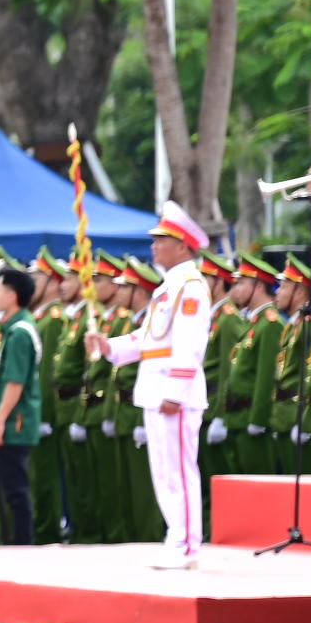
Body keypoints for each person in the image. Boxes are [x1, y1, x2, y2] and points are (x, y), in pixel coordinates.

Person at [89, 204, 213, 569]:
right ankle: (177, 537)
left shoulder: (189, 287)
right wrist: (110, 347)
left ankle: (187, 544)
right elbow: (150, 338)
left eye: (162, 240)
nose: (154, 247)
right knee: (163, 470)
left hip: (174, 392)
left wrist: (175, 392)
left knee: (178, 469)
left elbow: (190, 343)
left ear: (184, 246)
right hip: (156, 389)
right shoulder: (168, 288)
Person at [0, 265, 44, 546]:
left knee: (16, 489)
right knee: (12, 486)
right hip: (12, 419)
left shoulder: (19, 332)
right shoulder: (18, 328)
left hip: (14, 421)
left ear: (12, 295)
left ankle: (22, 544)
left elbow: (15, 382)